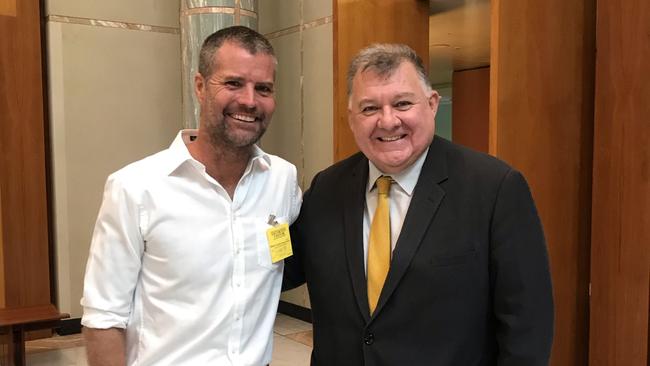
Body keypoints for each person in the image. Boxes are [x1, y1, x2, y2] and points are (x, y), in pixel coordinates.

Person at [283, 43, 554, 365]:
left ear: (432, 103)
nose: (388, 121)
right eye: (370, 108)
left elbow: (527, 322)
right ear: (351, 117)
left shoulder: (494, 188)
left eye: (402, 103)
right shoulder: (327, 187)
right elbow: (282, 267)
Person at [81, 26, 301, 366]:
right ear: (200, 86)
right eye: (232, 83)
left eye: (264, 88)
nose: (249, 100)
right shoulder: (135, 188)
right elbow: (103, 319)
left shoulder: (282, 180)